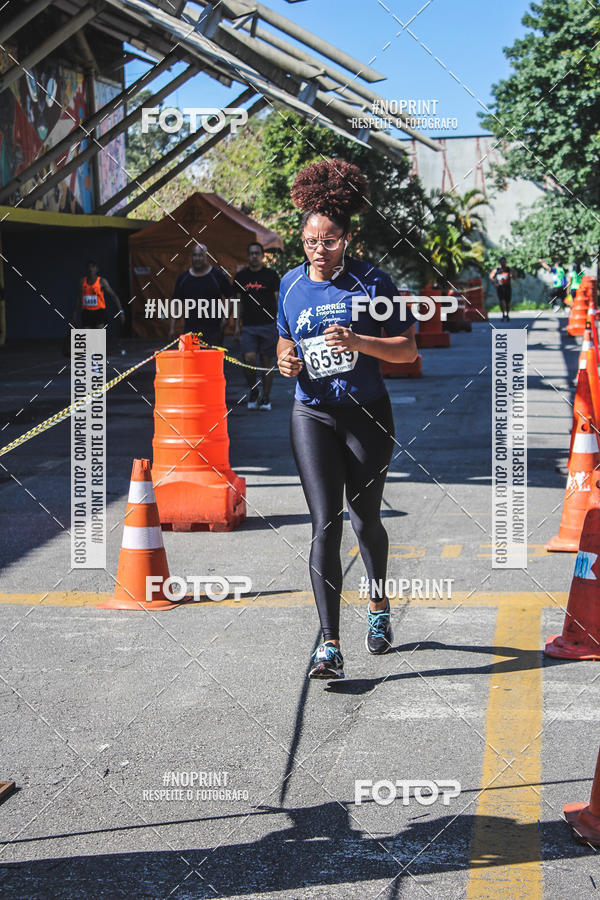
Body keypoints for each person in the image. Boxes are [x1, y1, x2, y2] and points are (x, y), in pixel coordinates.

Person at [276, 159, 418, 680]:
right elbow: (284, 338)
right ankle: (329, 644)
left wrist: (359, 342)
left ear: (348, 238)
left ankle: (378, 607)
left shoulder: (373, 284)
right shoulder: (291, 285)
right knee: (323, 525)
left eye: (330, 241)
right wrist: (283, 358)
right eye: (311, 240)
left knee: (365, 520)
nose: (319, 250)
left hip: (366, 414)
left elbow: (406, 352)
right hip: (310, 412)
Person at [233, 242, 280, 410]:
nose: (254, 256)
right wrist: (236, 325)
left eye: (257, 253)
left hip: (268, 325)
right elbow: (237, 302)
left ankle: (266, 397)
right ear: (248, 256)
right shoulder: (241, 277)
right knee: (249, 360)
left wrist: (280, 322)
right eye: (251, 253)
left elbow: (277, 299)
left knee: (266, 361)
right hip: (248, 326)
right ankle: (254, 390)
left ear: (262, 255)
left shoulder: (271, 275)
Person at [168, 243, 232, 345]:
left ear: (206, 256)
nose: (197, 258)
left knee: (212, 360)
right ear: (191, 257)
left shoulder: (217, 275)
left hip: (213, 330)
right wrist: (172, 327)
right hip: (191, 330)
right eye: (195, 255)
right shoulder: (183, 278)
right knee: (192, 360)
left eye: (201, 255)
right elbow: (177, 302)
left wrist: (226, 317)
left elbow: (230, 297)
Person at [74, 260, 125, 329]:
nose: (91, 269)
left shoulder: (102, 281)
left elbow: (114, 296)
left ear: (97, 269)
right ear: (86, 269)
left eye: (93, 267)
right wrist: (74, 315)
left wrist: (121, 312)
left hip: (99, 312)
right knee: (87, 336)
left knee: (98, 336)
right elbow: (79, 298)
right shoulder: (82, 281)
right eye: (89, 267)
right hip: (86, 312)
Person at [489, 256, 512, 321]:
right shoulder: (497, 270)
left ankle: (507, 314)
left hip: (507, 287)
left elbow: (513, 276)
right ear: (500, 262)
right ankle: (503, 314)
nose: (503, 262)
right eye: (502, 261)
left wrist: (511, 275)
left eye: (504, 261)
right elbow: (491, 277)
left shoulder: (508, 269)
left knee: (508, 302)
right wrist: (495, 283)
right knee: (502, 301)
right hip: (500, 287)